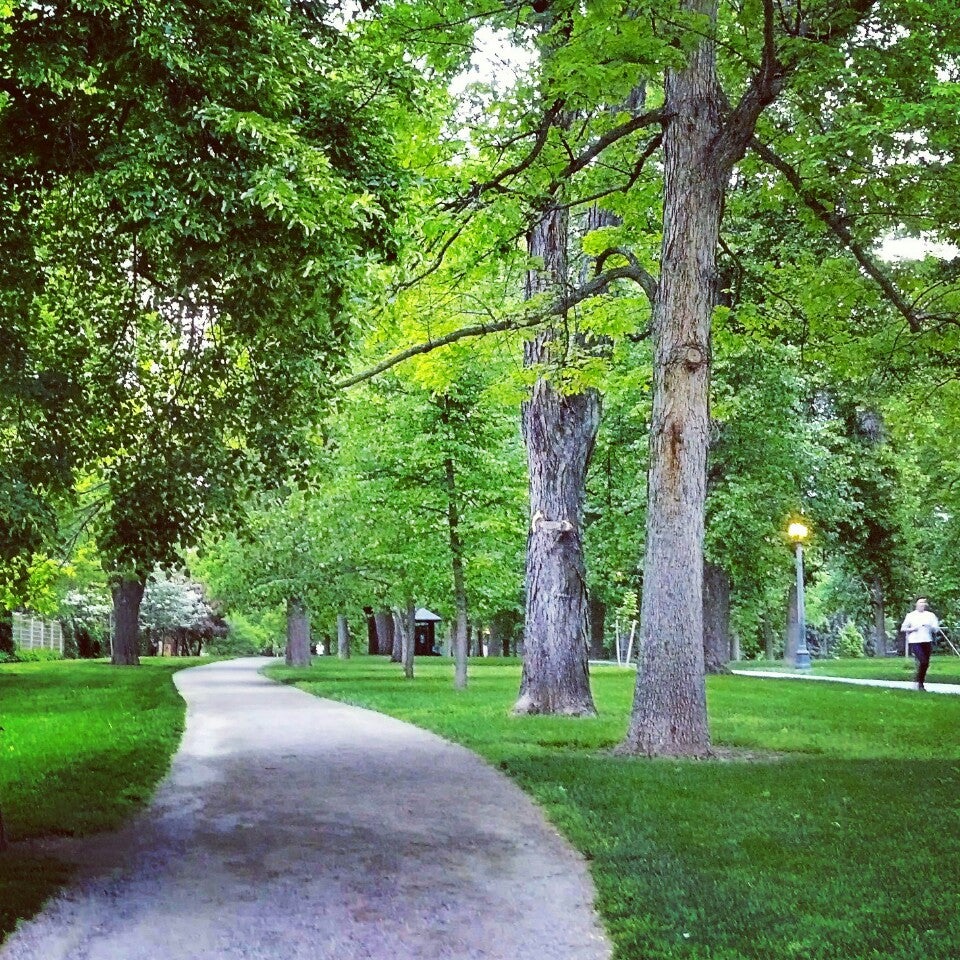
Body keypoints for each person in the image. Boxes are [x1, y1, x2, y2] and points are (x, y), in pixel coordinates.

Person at [901, 597, 939, 690]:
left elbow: (936, 629)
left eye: (924, 603)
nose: (922, 605)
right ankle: (920, 683)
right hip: (915, 641)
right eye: (920, 603)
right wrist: (913, 629)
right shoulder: (911, 615)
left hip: (927, 640)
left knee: (926, 663)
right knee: (923, 661)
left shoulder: (930, 615)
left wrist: (930, 626)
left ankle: (920, 681)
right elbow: (903, 628)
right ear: (916, 605)